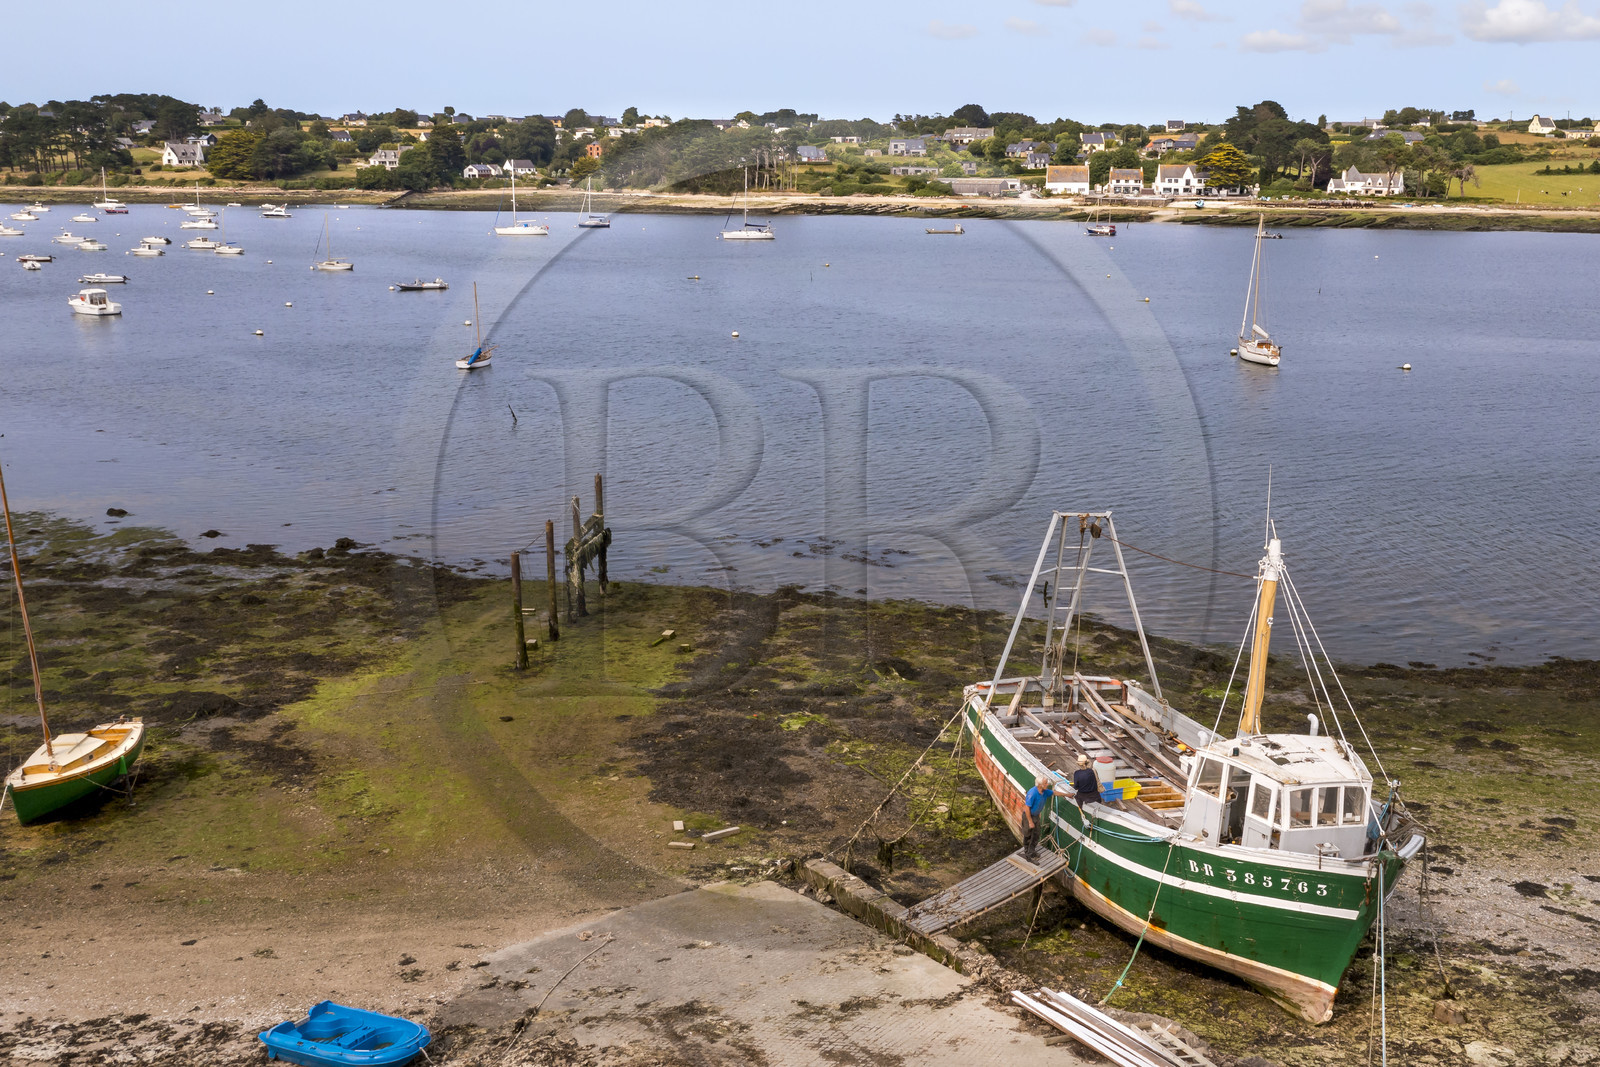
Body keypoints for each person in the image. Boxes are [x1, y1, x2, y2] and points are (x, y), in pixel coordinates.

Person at [1021, 774, 1055, 860]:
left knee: (1036, 834)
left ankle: (1031, 851)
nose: (1047, 784)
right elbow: (1027, 808)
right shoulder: (1032, 793)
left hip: (1036, 816)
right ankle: (1027, 853)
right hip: (1028, 816)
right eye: (1045, 783)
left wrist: (1067, 794)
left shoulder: (1044, 792)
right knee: (1028, 834)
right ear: (1040, 785)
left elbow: (1054, 793)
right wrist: (1030, 821)